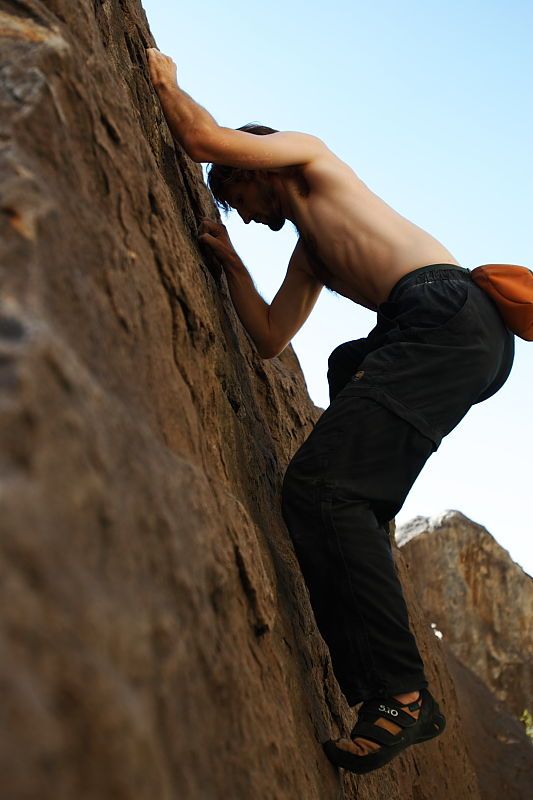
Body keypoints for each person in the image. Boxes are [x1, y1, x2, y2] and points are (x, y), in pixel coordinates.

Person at [146, 48, 515, 774]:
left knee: (320, 489)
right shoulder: (312, 254)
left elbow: (197, 138)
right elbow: (267, 339)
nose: (244, 218)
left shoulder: (311, 158)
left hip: (444, 315)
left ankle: (402, 697)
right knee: (346, 377)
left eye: (236, 199)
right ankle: (383, 653)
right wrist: (231, 266)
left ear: (252, 168)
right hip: (442, 340)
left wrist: (163, 78)